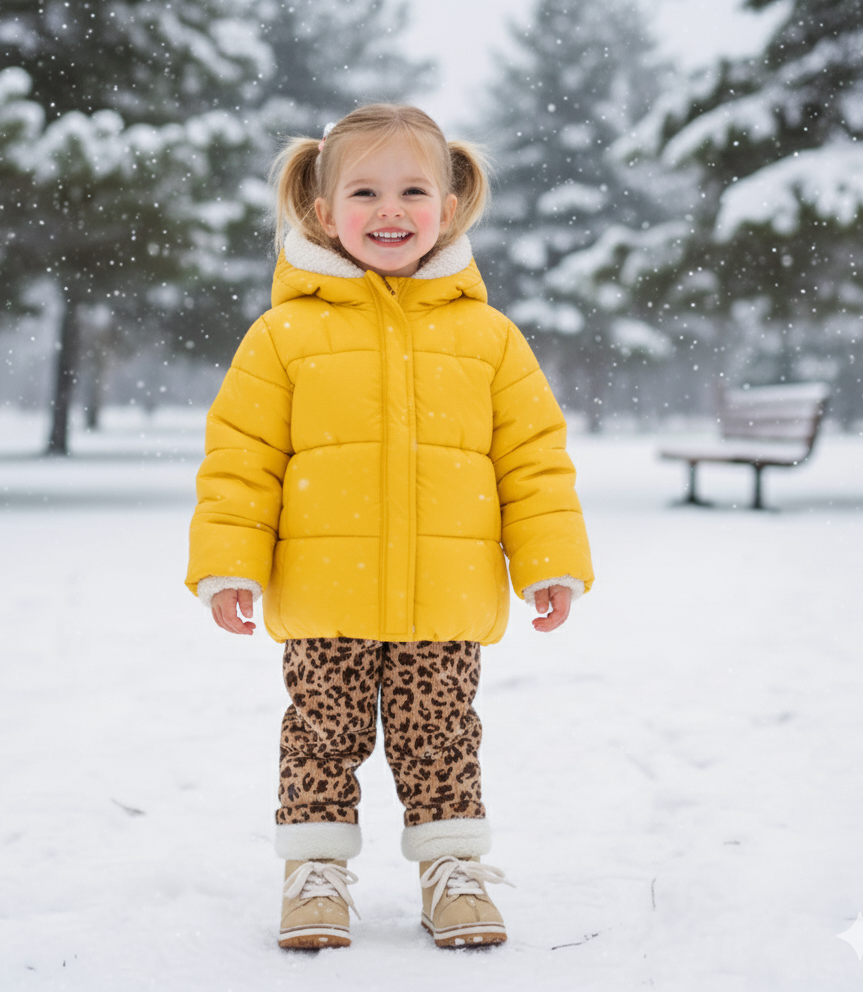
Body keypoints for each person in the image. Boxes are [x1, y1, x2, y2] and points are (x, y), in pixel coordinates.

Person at [185, 104, 593, 950]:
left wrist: (550, 561)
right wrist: (230, 566)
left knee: (442, 738)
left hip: (443, 601)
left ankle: (452, 872)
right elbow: (241, 460)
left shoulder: (489, 339)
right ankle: (315, 873)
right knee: (319, 738)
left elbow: (534, 459)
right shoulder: (283, 336)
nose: (390, 209)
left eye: (413, 189)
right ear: (324, 212)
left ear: (448, 207)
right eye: (364, 191)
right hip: (324, 599)